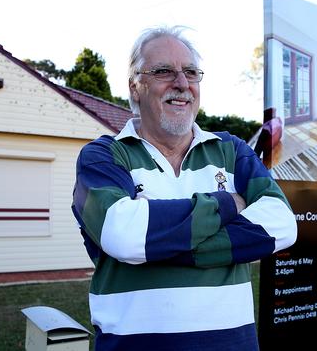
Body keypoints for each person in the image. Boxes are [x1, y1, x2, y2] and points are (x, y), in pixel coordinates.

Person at [71, 26, 297, 351]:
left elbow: (283, 224)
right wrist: (229, 204)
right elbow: (121, 232)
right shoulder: (103, 156)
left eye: (191, 72)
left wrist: (156, 244)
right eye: (164, 71)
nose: (182, 83)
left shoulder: (230, 150)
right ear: (135, 87)